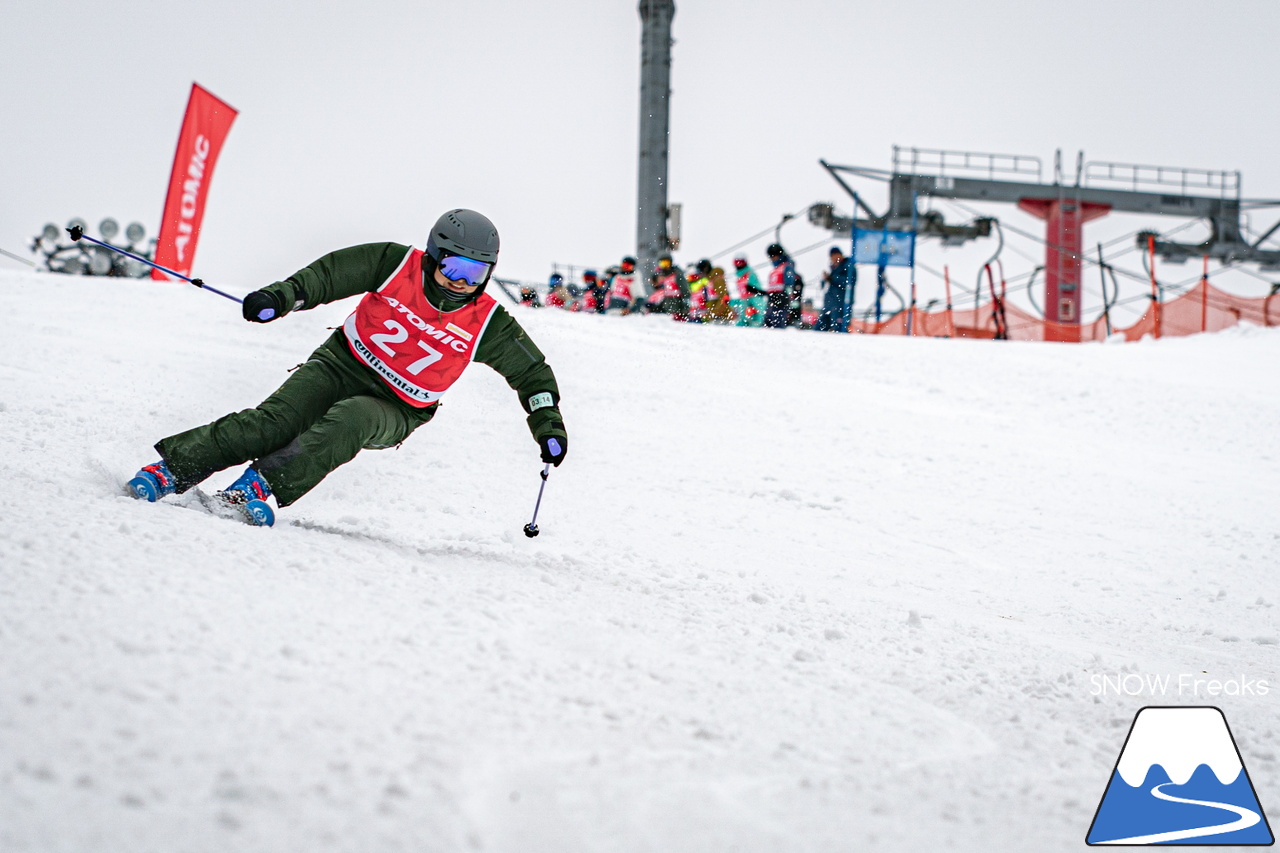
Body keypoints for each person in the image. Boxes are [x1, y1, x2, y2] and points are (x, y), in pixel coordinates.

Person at [126, 209, 568, 527]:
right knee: (274, 422)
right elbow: (327, 276)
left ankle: (259, 487)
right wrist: (281, 297)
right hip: (341, 365)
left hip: (399, 405)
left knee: (351, 420)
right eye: (454, 266)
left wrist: (548, 425)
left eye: (477, 273)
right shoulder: (394, 263)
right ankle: (175, 467)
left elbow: (533, 376)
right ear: (434, 256)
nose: (462, 281)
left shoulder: (488, 321)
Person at [815, 246, 856, 332]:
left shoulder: (848, 266)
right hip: (830, 304)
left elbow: (848, 282)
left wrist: (832, 278)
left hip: (841, 303)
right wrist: (826, 279)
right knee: (820, 328)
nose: (833, 259)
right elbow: (824, 286)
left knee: (840, 328)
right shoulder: (834, 269)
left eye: (834, 256)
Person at [763, 243, 796, 329]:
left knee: (778, 324)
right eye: (770, 257)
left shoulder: (786, 267)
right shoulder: (775, 269)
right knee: (768, 323)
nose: (772, 259)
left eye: (773, 256)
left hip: (781, 300)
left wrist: (789, 298)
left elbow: (789, 284)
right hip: (772, 300)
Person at [648, 254, 689, 320]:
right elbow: (664, 293)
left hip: (678, 309)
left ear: (671, 263)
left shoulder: (677, 275)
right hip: (667, 309)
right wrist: (658, 308)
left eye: (667, 263)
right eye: (662, 264)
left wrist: (685, 308)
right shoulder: (664, 276)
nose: (665, 266)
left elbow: (685, 292)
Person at [730, 254, 766, 327]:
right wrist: (731, 302)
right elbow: (743, 297)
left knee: (754, 322)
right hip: (745, 304)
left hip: (754, 303)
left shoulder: (750, 274)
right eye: (737, 262)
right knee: (743, 322)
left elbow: (758, 293)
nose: (739, 265)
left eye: (741, 262)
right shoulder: (739, 278)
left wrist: (753, 306)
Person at [702, 260, 734, 325]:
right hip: (717, 316)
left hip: (722, 317)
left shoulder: (717, 279)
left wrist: (715, 313)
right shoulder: (710, 280)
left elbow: (724, 297)